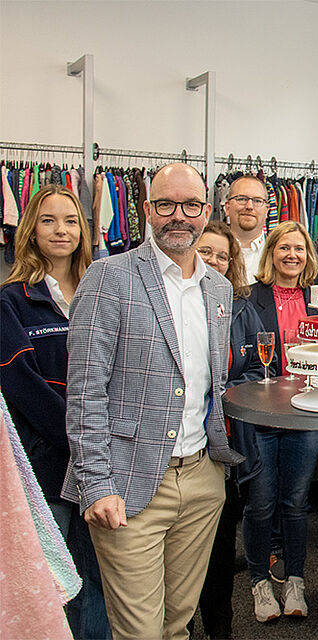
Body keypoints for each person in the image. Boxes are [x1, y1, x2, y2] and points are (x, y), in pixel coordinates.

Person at [62, 163, 244, 640]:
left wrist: (216, 471)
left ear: (207, 211)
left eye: (191, 206)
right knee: (139, 633)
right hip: (128, 482)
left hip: (202, 479)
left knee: (176, 625)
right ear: (146, 210)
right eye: (166, 205)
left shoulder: (219, 288)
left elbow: (209, 383)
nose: (178, 216)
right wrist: (96, 484)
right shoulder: (108, 277)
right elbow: (84, 391)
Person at [0, 184, 110, 640]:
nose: (60, 230)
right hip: (48, 467)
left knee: (99, 583)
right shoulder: (11, 300)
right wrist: (82, 439)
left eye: (70, 221)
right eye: (48, 220)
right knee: (52, 588)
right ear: (30, 230)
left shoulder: (101, 292)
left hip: (101, 469)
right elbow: (22, 386)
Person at [245, 220, 318, 622]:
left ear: (308, 256)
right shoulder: (248, 298)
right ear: (270, 253)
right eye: (284, 248)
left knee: (295, 503)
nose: (292, 255)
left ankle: (295, 581)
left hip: (306, 413)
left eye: (299, 248)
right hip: (262, 415)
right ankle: (259, 582)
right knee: (260, 504)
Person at [193, 221, 265, 639]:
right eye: (206, 252)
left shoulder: (242, 308)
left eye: (222, 255)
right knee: (181, 556)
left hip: (229, 448)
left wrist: (222, 393)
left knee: (220, 547)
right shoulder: (169, 304)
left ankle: (220, 628)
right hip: (180, 446)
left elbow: (259, 369)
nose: (214, 261)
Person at [222, 174, 270, 284]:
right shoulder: (209, 253)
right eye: (242, 199)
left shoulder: (278, 255)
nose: (249, 206)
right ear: (227, 207)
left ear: (266, 211)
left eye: (257, 201)